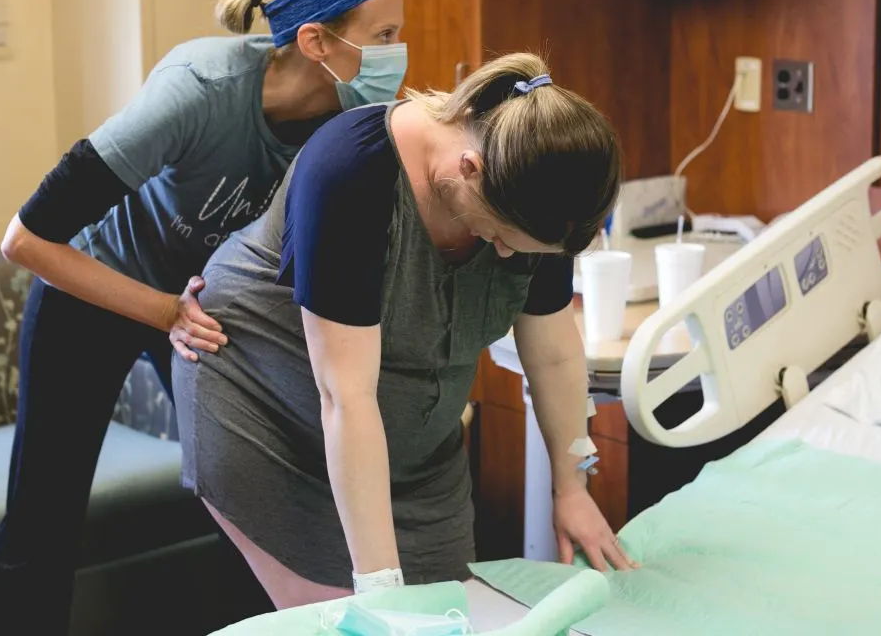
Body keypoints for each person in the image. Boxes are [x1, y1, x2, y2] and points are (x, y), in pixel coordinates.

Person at [0, 0, 406, 635]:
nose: (397, 52)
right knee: (42, 523)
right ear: (316, 40)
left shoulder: (347, 123)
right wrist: (166, 311)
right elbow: (24, 240)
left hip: (202, 308)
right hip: (91, 289)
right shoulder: (199, 92)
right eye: (383, 36)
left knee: (254, 511)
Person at [172, 52, 637, 612]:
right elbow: (346, 396)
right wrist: (381, 590)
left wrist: (572, 487)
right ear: (470, 169)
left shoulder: (543, 191)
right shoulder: (352, 172)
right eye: (503, 237)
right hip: (271, 413)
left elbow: (557, 356)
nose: (509, 257)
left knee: (453, 613)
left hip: (414, 450)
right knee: (354, 616)